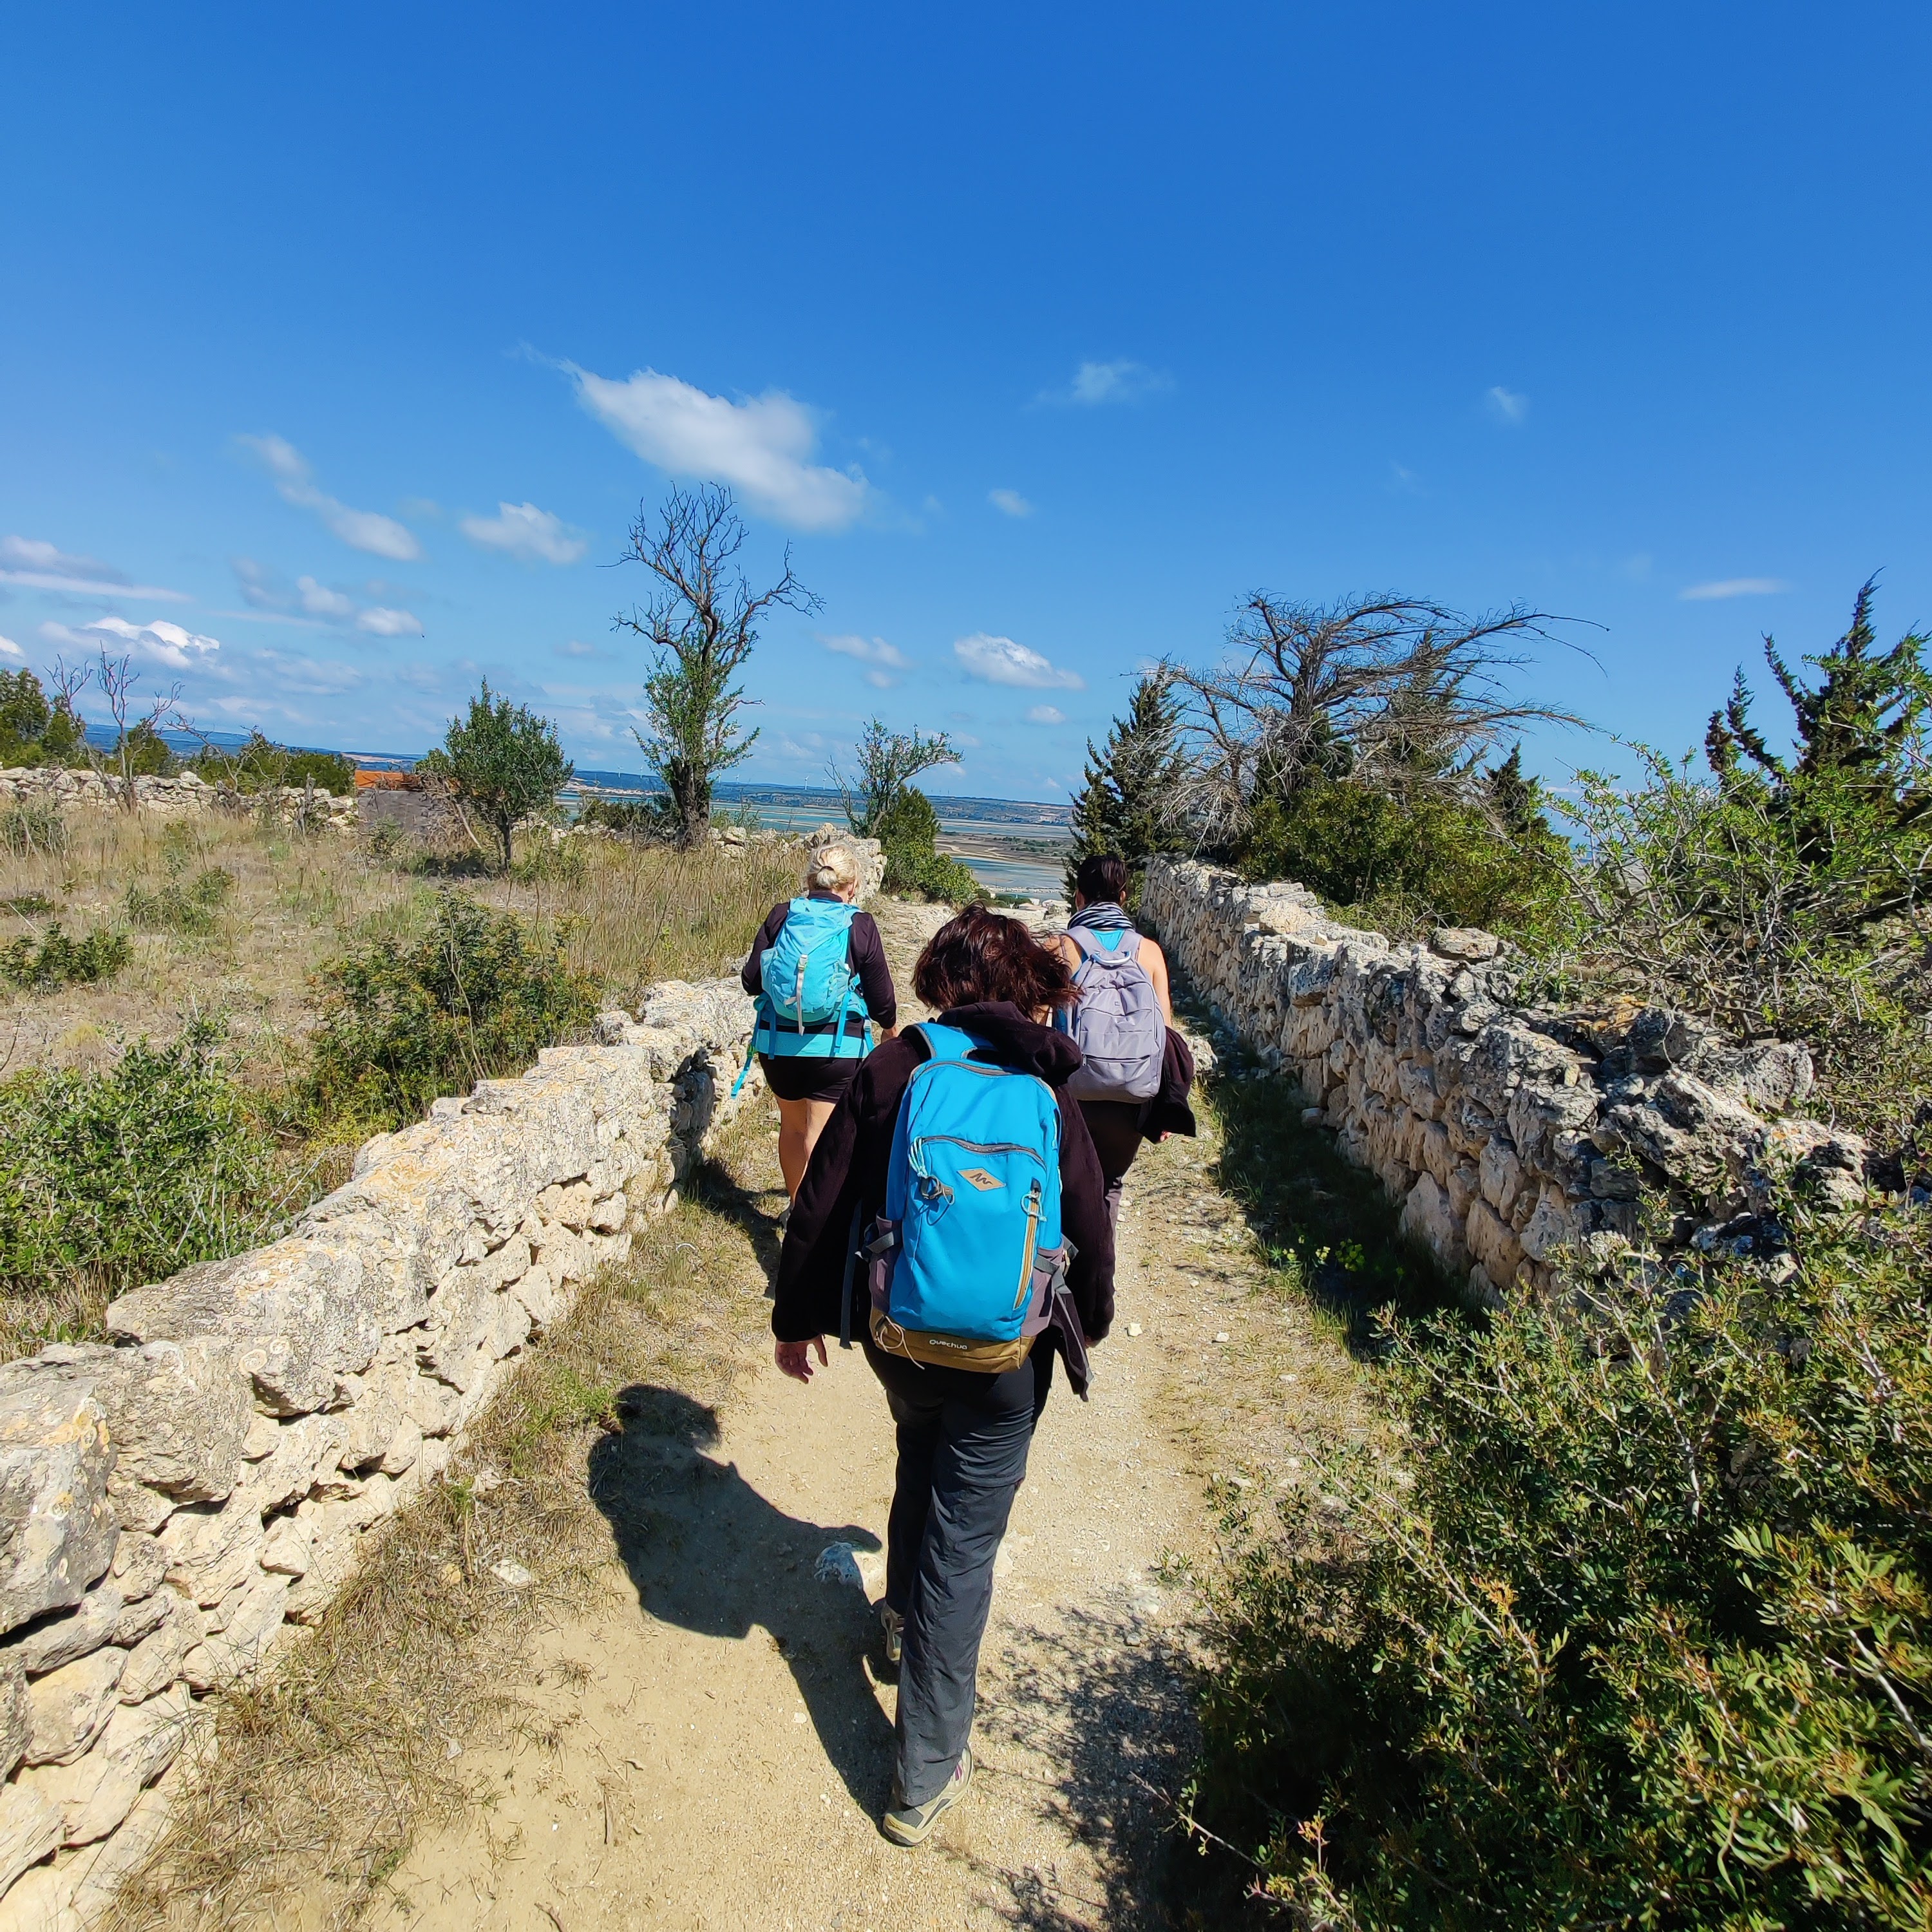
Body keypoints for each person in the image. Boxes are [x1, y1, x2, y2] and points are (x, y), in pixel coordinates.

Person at [772, 907, 1115, 1846]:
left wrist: (796, 1321)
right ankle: (924, 1773)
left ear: (937, 978)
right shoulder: (1046, 1076)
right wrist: (1088, 1326)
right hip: (1008, 1363)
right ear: (1023, 986)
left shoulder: (900, 1064)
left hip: (901, 1337)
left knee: (916, 1450)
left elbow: (823, 1198)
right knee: (964, 1549)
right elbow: (1091, 1225)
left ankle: (893, 1623)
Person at [741, 843, 898, 1200]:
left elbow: (751, 981)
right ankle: (813, 1230)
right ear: (853, 886)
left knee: (794, 1129)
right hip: (835, 1048)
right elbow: (882, 1000)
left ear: (809, 880)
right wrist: (890, 1030)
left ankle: (797, 1208)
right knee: (821, 1135)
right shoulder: (860, 924)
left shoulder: (782, 915)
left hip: (778, 1046)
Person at [1042, 853, 1175, 1228]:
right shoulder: (1148, 952)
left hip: (1073, 1092)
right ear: (1124, 896)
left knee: (1062, 1183)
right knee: (1109, 1186)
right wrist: (1166, 1105)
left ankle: (1057, 1272)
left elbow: (1035, 1026)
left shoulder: (1060, 949)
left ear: (1078, 896)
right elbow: (1166, 1035)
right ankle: (1099, 1280)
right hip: (1132, 1096)